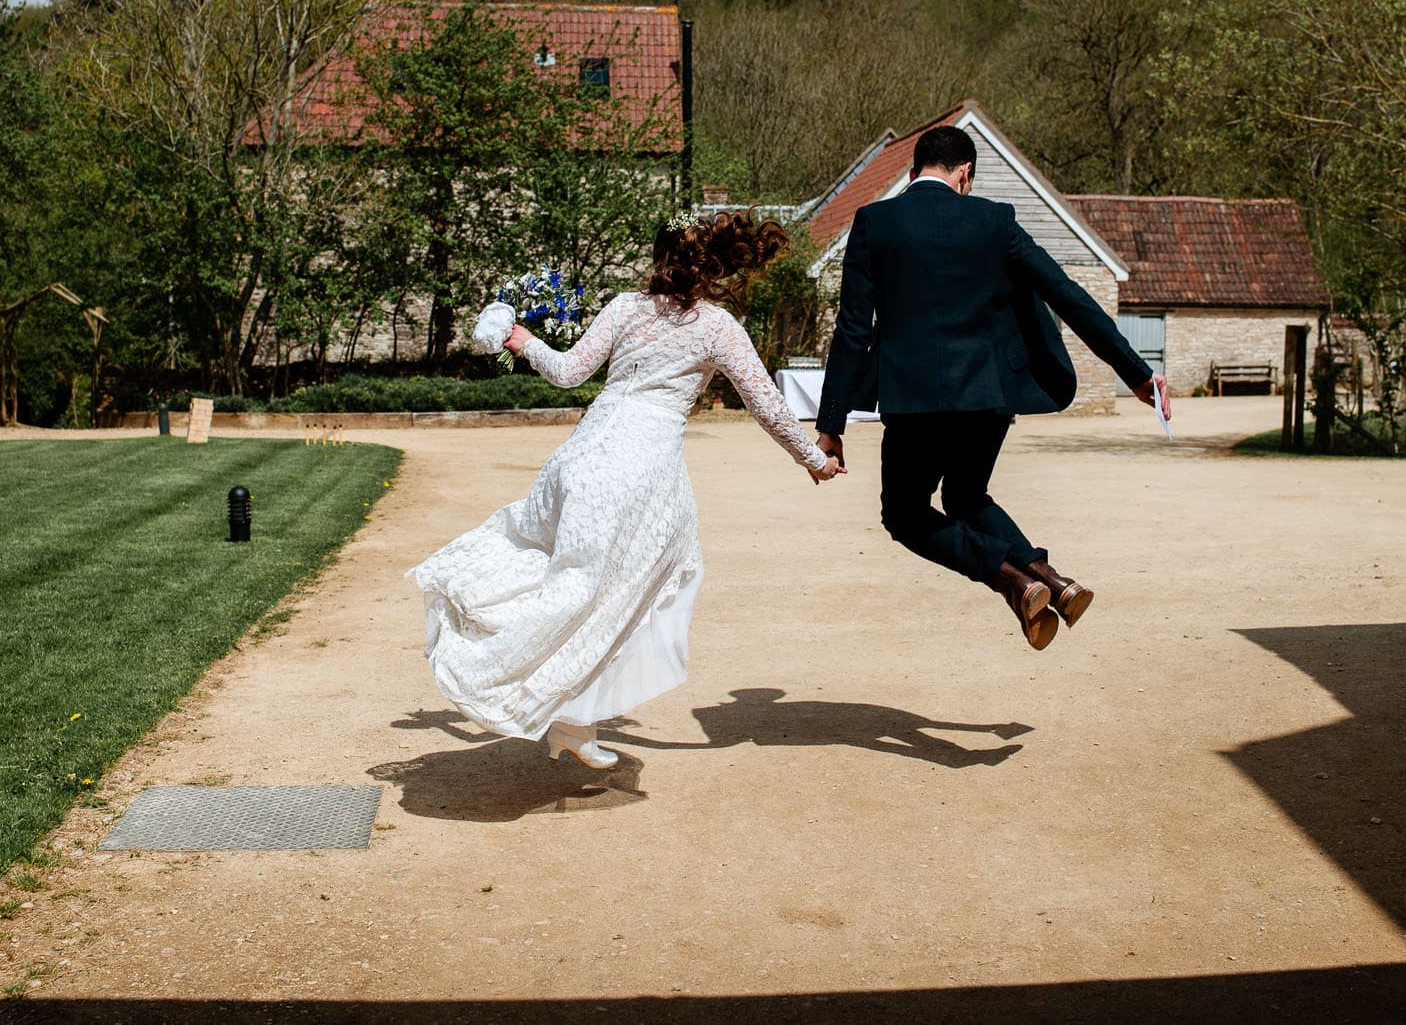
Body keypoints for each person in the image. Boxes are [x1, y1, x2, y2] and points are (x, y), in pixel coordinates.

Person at [407, 212, 840, 770]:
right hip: (638, 471)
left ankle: (574, 719)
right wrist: (814, 459)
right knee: (623, 591)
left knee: (573, 581)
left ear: (660, 257)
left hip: (578, 460)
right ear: (711, 264)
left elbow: (567, 373)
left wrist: (522, 340)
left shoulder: (624, 307)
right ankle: (544, 700)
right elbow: (768, 406)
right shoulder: (718, 327)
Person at [815, 124, 1169, 650]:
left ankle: (1015, 583)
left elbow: (851, 330)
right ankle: (1055, 583)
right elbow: (1066, 294)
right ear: (966, 174)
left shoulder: (875, 221)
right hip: (987, 397)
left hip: (914, 402)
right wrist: (1136, 373)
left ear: (912, 173)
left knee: (905, 515)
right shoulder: (995, 220)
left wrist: (832, 424)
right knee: (966, 496)